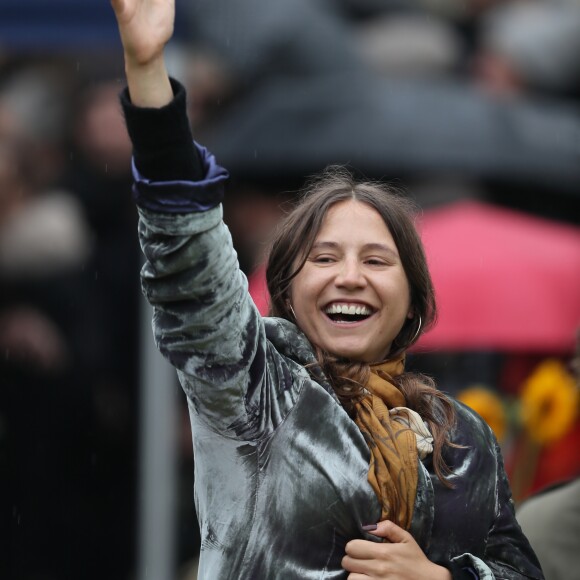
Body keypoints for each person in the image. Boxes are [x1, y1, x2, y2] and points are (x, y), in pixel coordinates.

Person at [110, 0, 544, 578]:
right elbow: (189, 260)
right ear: (286, 291)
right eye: (325, 257)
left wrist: (441, 577)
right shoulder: (253, 389)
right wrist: (148, 71)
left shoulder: (464, 440)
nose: (350, 276)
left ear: (413, 299)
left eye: (376, 260)